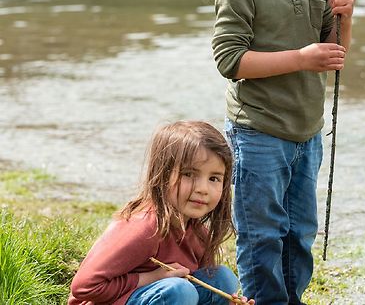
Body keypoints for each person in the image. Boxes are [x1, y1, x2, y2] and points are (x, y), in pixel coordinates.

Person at [212, 0, 355, 304]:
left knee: (299, 233)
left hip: (307, 134)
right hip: (258, 133)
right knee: (262, 235)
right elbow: (230, 61)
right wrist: (299, 58)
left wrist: (346, 18)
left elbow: (331, 57)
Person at [68, 120, 255, 305]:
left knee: (222, 279)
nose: (203, 189)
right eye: (189, 174)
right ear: (163, 175)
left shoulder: (199, 234)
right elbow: (84, 287)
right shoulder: (144, 228)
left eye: (214, 178)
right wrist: (153, 277)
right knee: (180, 291)